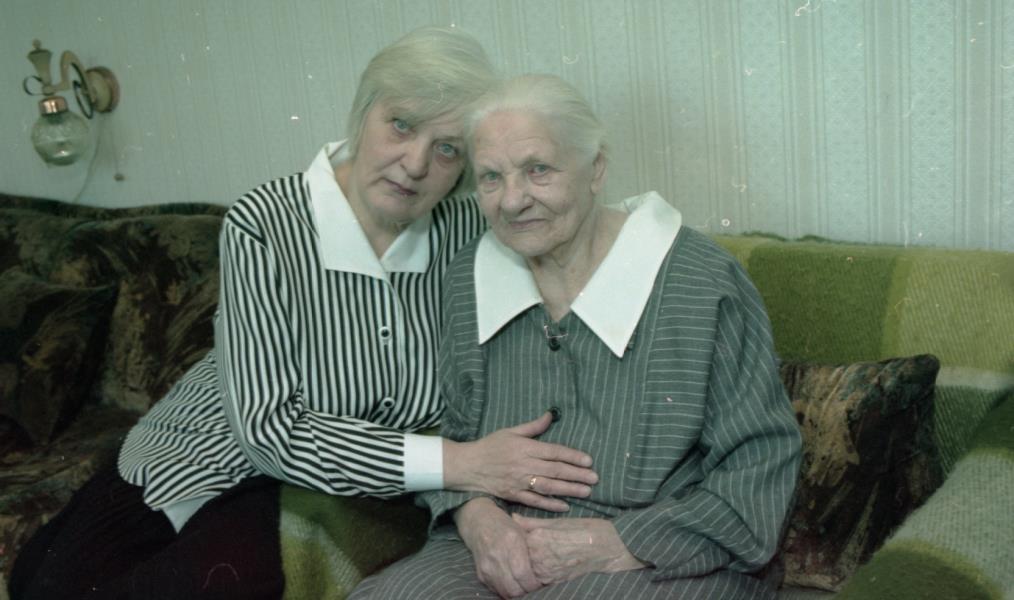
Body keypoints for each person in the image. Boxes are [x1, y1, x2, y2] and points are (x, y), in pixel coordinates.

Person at [9, 30, 599, 600]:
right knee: (44, 582)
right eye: (400, 124)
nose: (415, 164)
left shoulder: (469, 230)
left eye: (447, 149)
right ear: (362, 113)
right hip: (198, 457)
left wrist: (470, 493)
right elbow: (268, 430)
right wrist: (463, 465)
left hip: (322, 495)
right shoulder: (264, 223)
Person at [350, 74, 802, 600]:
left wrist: (617, 543)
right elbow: (454, 434)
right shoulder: (468, 277)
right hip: (496, 541)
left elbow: (759, 464)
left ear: (596, 169)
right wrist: (476, 518)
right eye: (491, 177)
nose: (512, 201)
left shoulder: (701, 281)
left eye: (537, 170)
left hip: (665, 554)